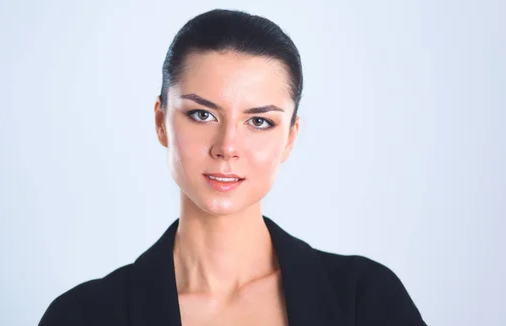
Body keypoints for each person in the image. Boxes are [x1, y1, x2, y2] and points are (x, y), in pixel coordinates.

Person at [38, 9, 426, 326]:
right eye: (202, 114)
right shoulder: (82, 316)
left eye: (259, 121)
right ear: (161, 122)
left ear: (290, 137)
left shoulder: (367, 301)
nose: (227, 147)